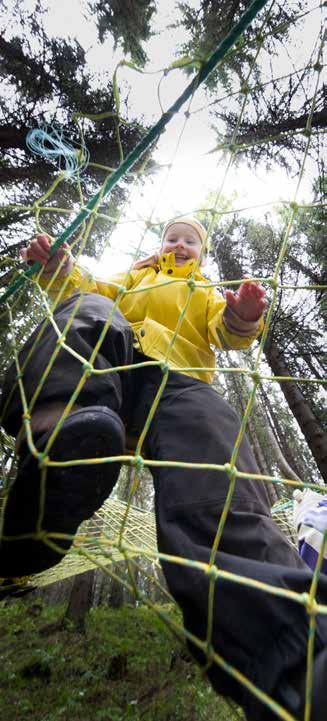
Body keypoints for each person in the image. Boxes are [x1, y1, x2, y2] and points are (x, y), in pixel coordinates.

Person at [0, 216, 326, 720]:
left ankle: (298, 656)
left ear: (202, 251)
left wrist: (243, 314)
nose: (179, 244)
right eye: (172, 237)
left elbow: (227, 332)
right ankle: (55, 450)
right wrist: (57, 267)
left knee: (215, 446)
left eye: (190, 240)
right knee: (88, 308)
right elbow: (83, 288)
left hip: (177, 382)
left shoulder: (202, 290)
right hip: (110, 374)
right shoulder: (134, 276)